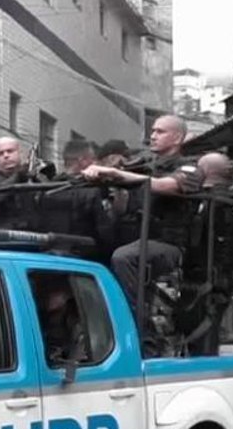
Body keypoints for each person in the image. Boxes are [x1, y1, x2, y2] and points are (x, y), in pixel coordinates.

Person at [80, 115, 203, 319]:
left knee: (123, 257)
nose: (153, 136)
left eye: (160, 132)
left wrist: (117, 174)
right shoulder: (142, 164)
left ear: (177, 137)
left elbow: (165, 186)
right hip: (136, 239)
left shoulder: (190, 166)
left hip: (168, 244)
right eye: (152, 131)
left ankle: (133, 321)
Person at [32, 274, 86, 364]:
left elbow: (74, 366)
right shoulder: (42, 321)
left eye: (52, 291)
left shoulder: (79, 331)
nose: (44, 296)